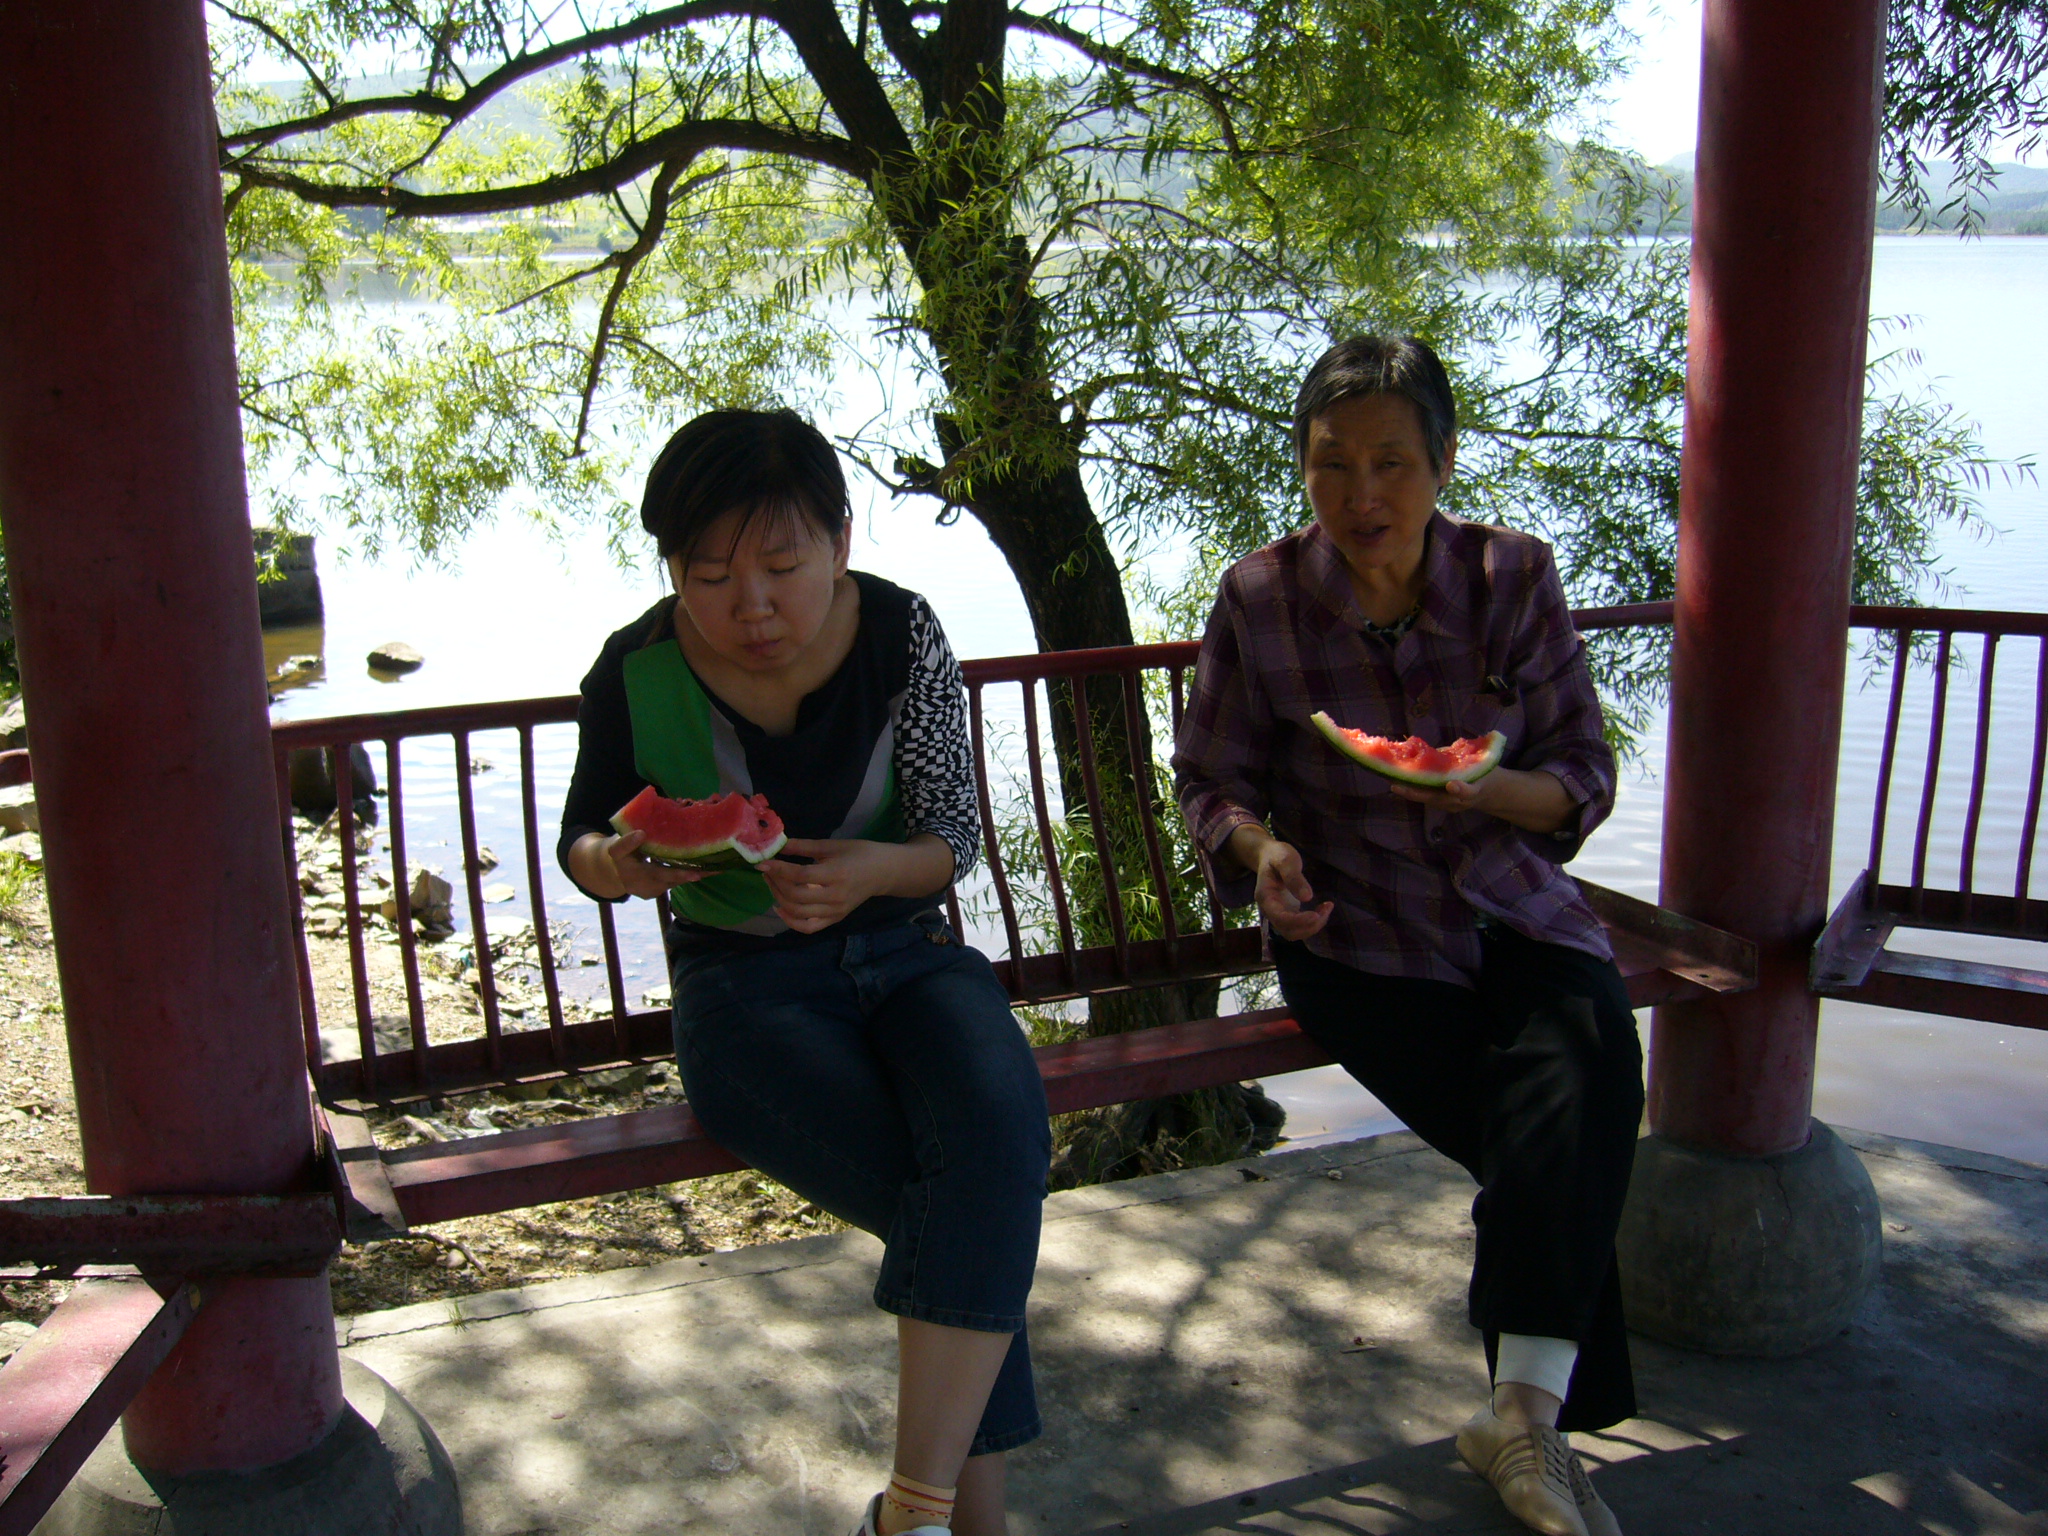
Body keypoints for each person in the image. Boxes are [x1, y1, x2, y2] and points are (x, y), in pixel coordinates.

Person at [1172, 336, 1642, 1536]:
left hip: (1511, 903)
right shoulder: (1259, 598)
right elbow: (1210, 783)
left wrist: (1489, 790)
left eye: (1390, 461)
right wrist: (1258, 857)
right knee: (1548, 1135)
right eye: (1330, 463)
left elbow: (1581, 771)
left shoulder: (1512, 577)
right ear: (1302, 469)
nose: (1360, 493)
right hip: (1354, 933)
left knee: (1591, 1053)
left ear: (1442, 462)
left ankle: (1518, 1419)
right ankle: (1526, 1424)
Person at [559, 409, 1050, 1536]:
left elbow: (951, 837)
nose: (751, 606)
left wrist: (875, 871)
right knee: (974, 1202)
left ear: (840, 539)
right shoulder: (634, 668)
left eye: (783, 567)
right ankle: (956, 1521)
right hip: (743, 992)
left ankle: (913, 1516)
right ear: (671, 570)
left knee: (995, 1137)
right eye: (709, 576)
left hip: (911, 953)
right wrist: (614, 864)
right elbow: (583, 833)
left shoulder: (903, 633)